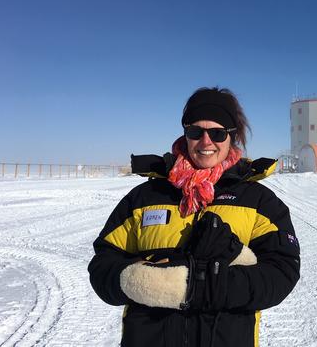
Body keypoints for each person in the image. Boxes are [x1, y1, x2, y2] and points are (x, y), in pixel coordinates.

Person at [88, 87, 301, 347]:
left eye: (218, 133)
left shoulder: (259, 202)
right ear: (185, 134)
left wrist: (212, 285)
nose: (206, 141)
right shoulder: (144, 197)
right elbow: (102, 265)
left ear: (232, 137)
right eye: (195, 131)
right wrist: (141, 282)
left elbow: (282, 272)